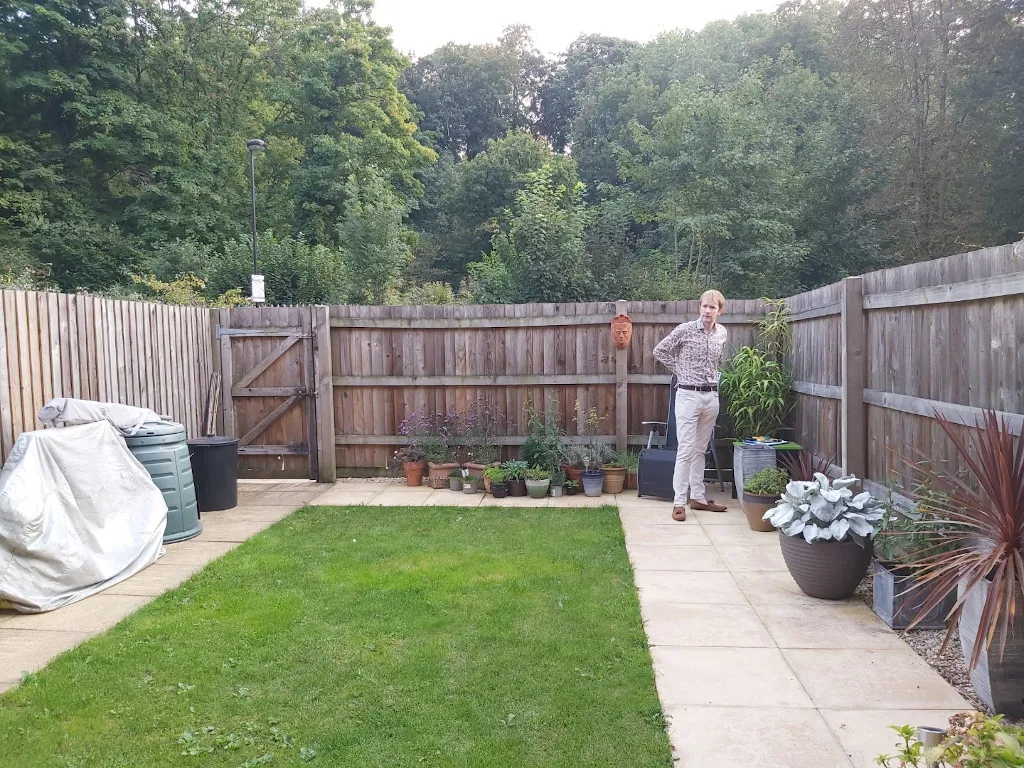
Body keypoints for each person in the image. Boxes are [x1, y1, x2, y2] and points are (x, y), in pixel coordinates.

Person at [652, 290, 729, 521]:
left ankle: (698, 498)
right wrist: (680, 369)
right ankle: (678, 502)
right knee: (685, 449)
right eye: (705, 306)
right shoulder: (685, 329)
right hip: (687, 396)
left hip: (711, 397)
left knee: (700, 450)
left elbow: (720, 361)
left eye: (712, 308)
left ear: (720, 311)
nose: (707, 311)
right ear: (699, 307)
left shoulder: (722, 333)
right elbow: (659, 351)